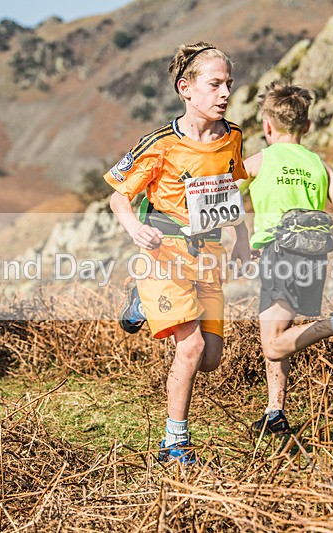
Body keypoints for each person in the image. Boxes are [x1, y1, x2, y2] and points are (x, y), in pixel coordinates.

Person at [107, 42, 250, 465]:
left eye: (228, 84)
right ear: (185, 88)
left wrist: (241, 236)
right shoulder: (159, 144)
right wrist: (135, 227)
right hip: (162, 253)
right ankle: (175, 443)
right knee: (188, 350)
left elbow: (230, 191)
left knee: (210, 358)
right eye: (214, 84)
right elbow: (118, 197)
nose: (224, 93)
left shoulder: (234, 138)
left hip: (208, 254)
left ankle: (141, 303)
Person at [241, 81, 333, 437]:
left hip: (278, 255)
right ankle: (275, 412)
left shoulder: (259, 160)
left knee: (272, 343)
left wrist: (242, 239)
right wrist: (324, 238)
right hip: (314, 258)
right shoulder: (319, 164)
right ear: (307, 126)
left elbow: (225, 199)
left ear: (267, 126)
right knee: (280, 333)